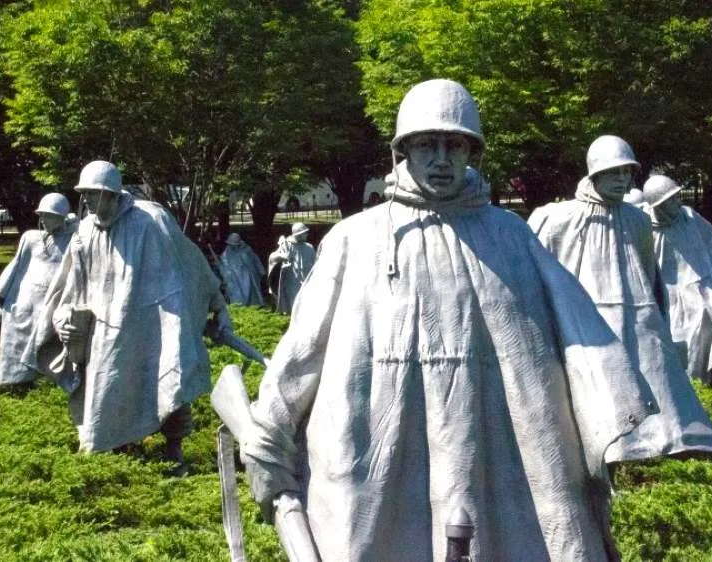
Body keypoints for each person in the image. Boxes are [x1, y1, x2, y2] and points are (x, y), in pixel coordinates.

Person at [237, 79, 658, 560]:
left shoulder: (510, 237)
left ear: (471, 153)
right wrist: (269, 435)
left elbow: (580, 342)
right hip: (379, 458)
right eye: (425, 144)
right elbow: (303, 351)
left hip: (497, 463)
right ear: (403, 152)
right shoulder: (355, 239)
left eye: (454, 144)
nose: (440, 159)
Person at [528, 135, 712, 462]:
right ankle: (605, 444)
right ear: (595, 173)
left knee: (653, 375)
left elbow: (648, 270)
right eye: (613, 172)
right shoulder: (562, 217)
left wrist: (653, 312)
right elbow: (541, 269)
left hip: (638, 314)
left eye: (626, 172)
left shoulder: (637, 220)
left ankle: (662, 438)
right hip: (586, 318)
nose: (622, 180)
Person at [25, 160, 233, 467]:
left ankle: (174, 451)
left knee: (168, 379)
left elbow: (189, 265)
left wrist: (216, 306)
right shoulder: (83, 233)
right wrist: (64, 320)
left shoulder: (149, 223)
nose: (88, 201)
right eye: (85, 194)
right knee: (107, 390)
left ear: (111, 194)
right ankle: (116, 451)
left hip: (152, 324)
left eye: (94, 194)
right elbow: (70, 289)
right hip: (104, 332)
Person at [0, 193, 78, 389]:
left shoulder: (73, 239)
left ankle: (51, 379)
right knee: (13, 335)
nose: (44, 220)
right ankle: (13, 383)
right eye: (42, 215)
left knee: (46, 341)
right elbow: (16, 266)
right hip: (23, 300)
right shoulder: (30, 238)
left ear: (62, 217)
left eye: (50, 216)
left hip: (51, 302)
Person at [642, 175, 712, 384]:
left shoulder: (690, 218)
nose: (677, 203)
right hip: (663, 291)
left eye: (677, 197)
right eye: (670, 200)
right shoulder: (645, 224)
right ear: (658, 205)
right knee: (671, 331)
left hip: (698, 286)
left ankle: (700, 377)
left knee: (703, 321)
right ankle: (672, 381)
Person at [267, 222, 315, 314]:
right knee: (294, 303)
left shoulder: (309, 247)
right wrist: (282, 256)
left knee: (306, 303)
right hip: (292, 280)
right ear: (299, 235)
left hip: (307, 280)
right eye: (305, 233)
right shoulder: (287, 246)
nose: (307, 235)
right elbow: (272, 257)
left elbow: (315, 263)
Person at [218, 232, 266, 307]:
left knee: (249, 291)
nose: (231, 246)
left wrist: (261, 270)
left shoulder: (246, 249)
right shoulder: (228, 250)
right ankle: (239, 306)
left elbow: (255, 259)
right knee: (237, 294)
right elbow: (225, 261)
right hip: (234, 277)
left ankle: (251, 306)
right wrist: (224, 270)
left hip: (247, 275)